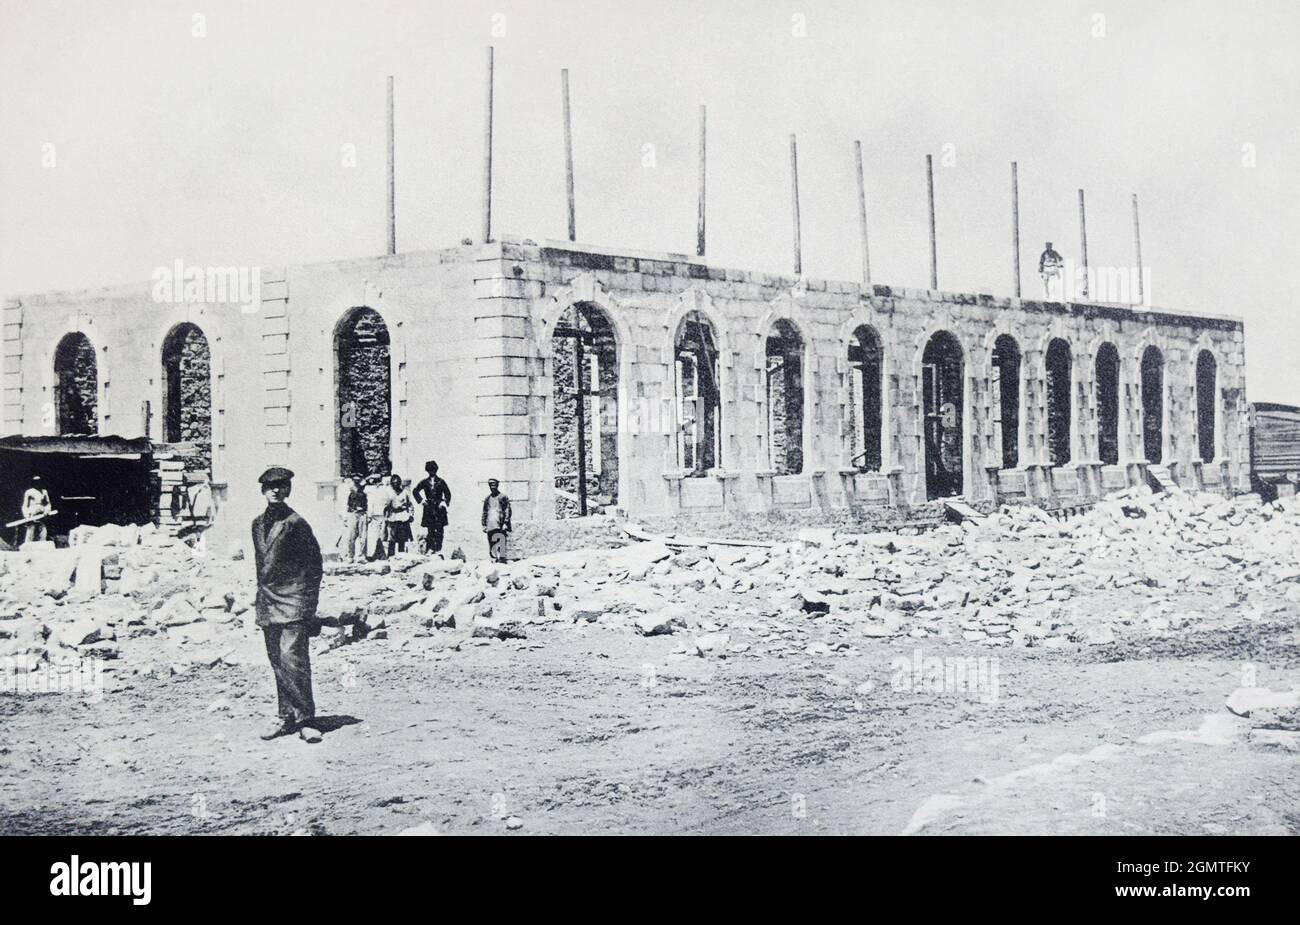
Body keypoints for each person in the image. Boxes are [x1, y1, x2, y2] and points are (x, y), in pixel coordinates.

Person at [251, 467, 324, 743]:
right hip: (268, 604)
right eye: (270, 487)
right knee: (277, 662)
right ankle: (285, 718)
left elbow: (313, 566)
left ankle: (306, 720)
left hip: (294, 603)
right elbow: (262, 567)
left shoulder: (297, 524)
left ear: (288, 490)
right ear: (263, 491)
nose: (276, 491)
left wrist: (307, 607)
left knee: (293, 659)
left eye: (282, 486)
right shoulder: (257, 524)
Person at [412, 460, 452, 555]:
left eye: (433, 470)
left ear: (436, 470)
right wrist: (422, 501)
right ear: (427, 471)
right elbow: (415, 491)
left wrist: (444, 502)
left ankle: (438, 549)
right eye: (430, 470)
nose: (432, 472)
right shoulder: (425, 482)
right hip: (429, 508)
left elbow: (448, 493)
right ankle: (430, 548)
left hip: (439, 508)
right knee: (430, 529)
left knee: (439, 529)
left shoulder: (441, 482)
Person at [362, 473, 395, 561]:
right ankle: (375, 554)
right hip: (375, 515)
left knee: (382, 535)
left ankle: (382, 554)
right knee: (376, 536)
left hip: (381, 515)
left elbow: (389, 500)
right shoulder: (371, 489)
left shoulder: (384, 490)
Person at [481, 478, 512, 563]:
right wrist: (483, 524)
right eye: (491, 486)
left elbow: (507, 509)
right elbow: (484, 512)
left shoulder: (503, 497)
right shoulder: (487, 498)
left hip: (500, 524)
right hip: (490, 524)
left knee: (501, 540)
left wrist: (506, 522)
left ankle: (501, 560)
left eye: (494, 485)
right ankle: (493, 559)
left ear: (497, 485)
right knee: (492, 542)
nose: (492, 487)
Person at [385, 474, 415, 556]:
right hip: (393, 517)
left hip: (403, 517)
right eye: (393, 483)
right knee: (391, 539)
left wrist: (411, 515)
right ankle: (391, 556)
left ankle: (401, 557)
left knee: (402, 539)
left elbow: (410, 505)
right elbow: (385, 506)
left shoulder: (405, 493)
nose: (395, 484)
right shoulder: (389, 493)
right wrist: (385, 517)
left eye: (397, 483)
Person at [339, 476, 366, 562]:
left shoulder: (363, 492)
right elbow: (347, 505)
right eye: (355, 480)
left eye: (358, 480)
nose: (356, 482)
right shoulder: (349, 491)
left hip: (362, 514)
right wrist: (346, 516)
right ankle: (350, 556)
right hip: (352, 514)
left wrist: (363, 510)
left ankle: (362, 556)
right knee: (351, 536)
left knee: (363, 536)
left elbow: (366, 504)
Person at [21, 476, 53, 545]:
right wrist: (27, 515)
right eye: (36, 481)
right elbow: (25, 505)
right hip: (32, 515)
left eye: (39, 481)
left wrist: (47, 510)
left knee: (43, 534)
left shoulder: (44, 492)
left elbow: (48, 503)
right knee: (30, 533)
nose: (38, 483)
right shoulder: (29, 492)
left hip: (42, 515)